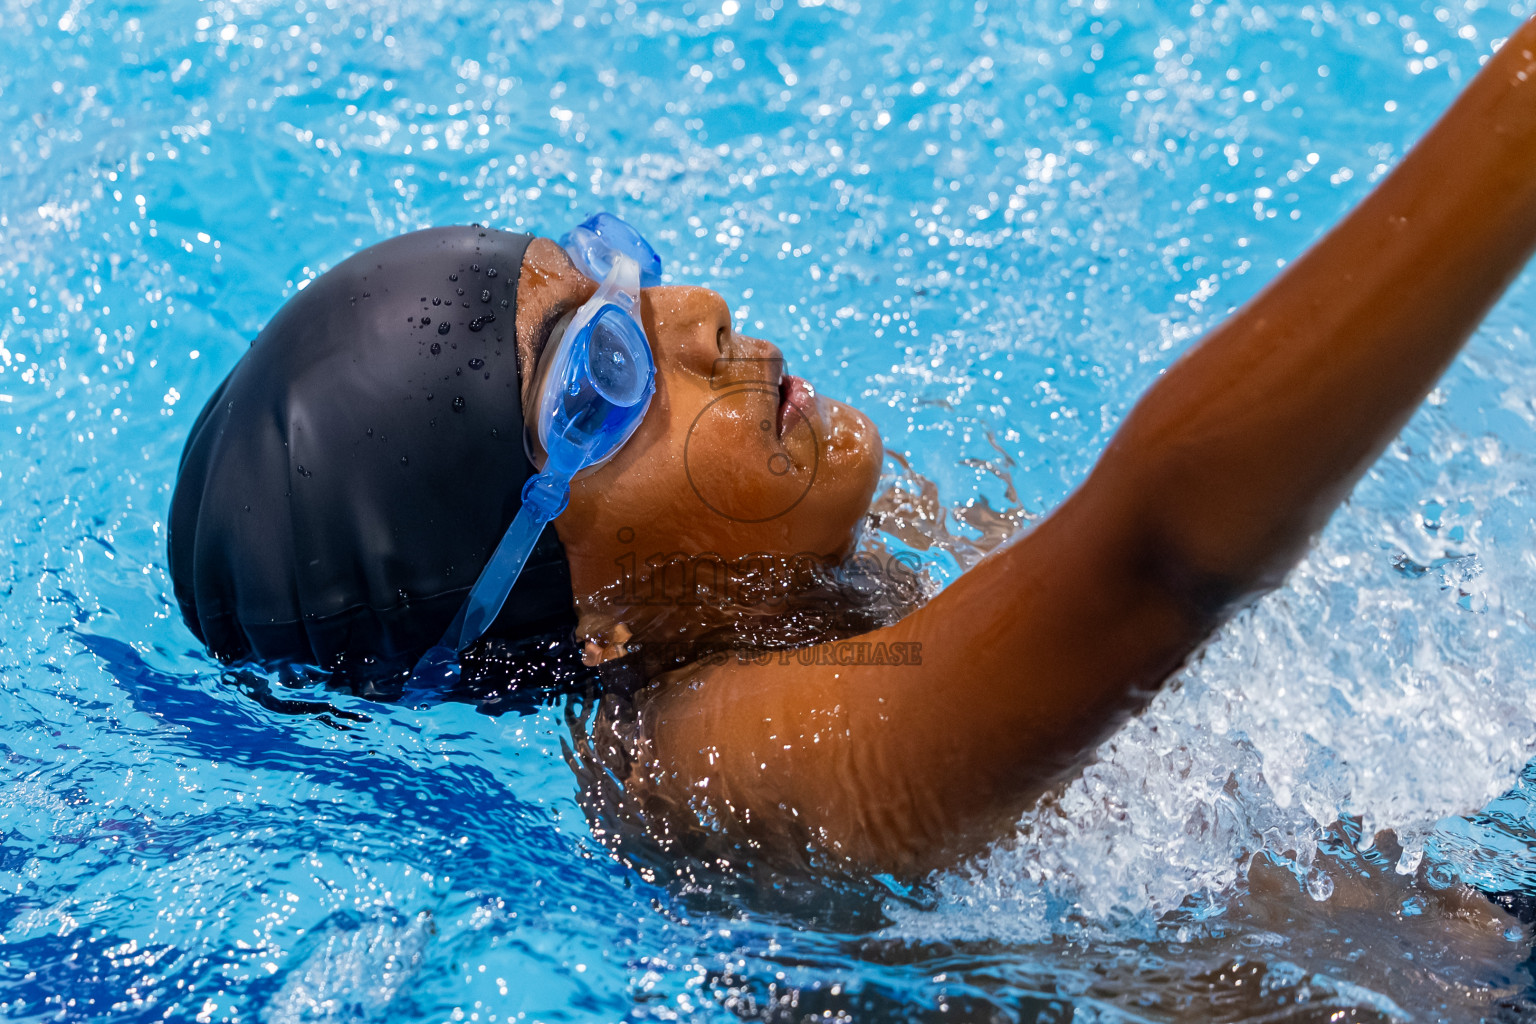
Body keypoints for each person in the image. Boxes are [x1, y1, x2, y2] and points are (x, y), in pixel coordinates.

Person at [170, 16, 1536, 879]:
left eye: (622, 280)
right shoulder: (699, 770)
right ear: (571, 616)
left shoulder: (804, 566)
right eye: (603, 371)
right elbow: (1149, 569)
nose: (698, 314)